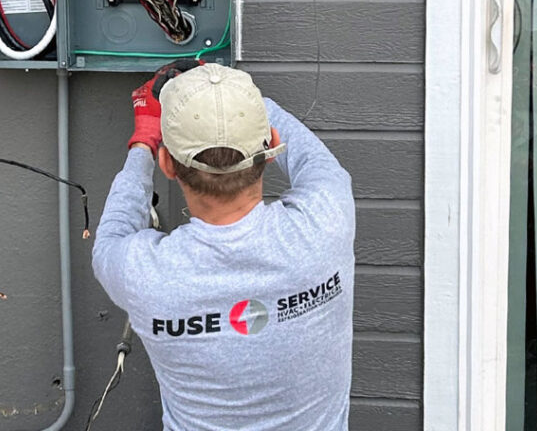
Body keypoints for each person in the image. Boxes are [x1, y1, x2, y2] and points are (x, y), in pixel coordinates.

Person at [92, 61, 355, 431]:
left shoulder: (146, 275)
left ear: (167, 163)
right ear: (274, 144)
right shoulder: (327, 223)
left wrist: (144, 142)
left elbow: (111, 236)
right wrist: (229, 94)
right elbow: (315, 160)